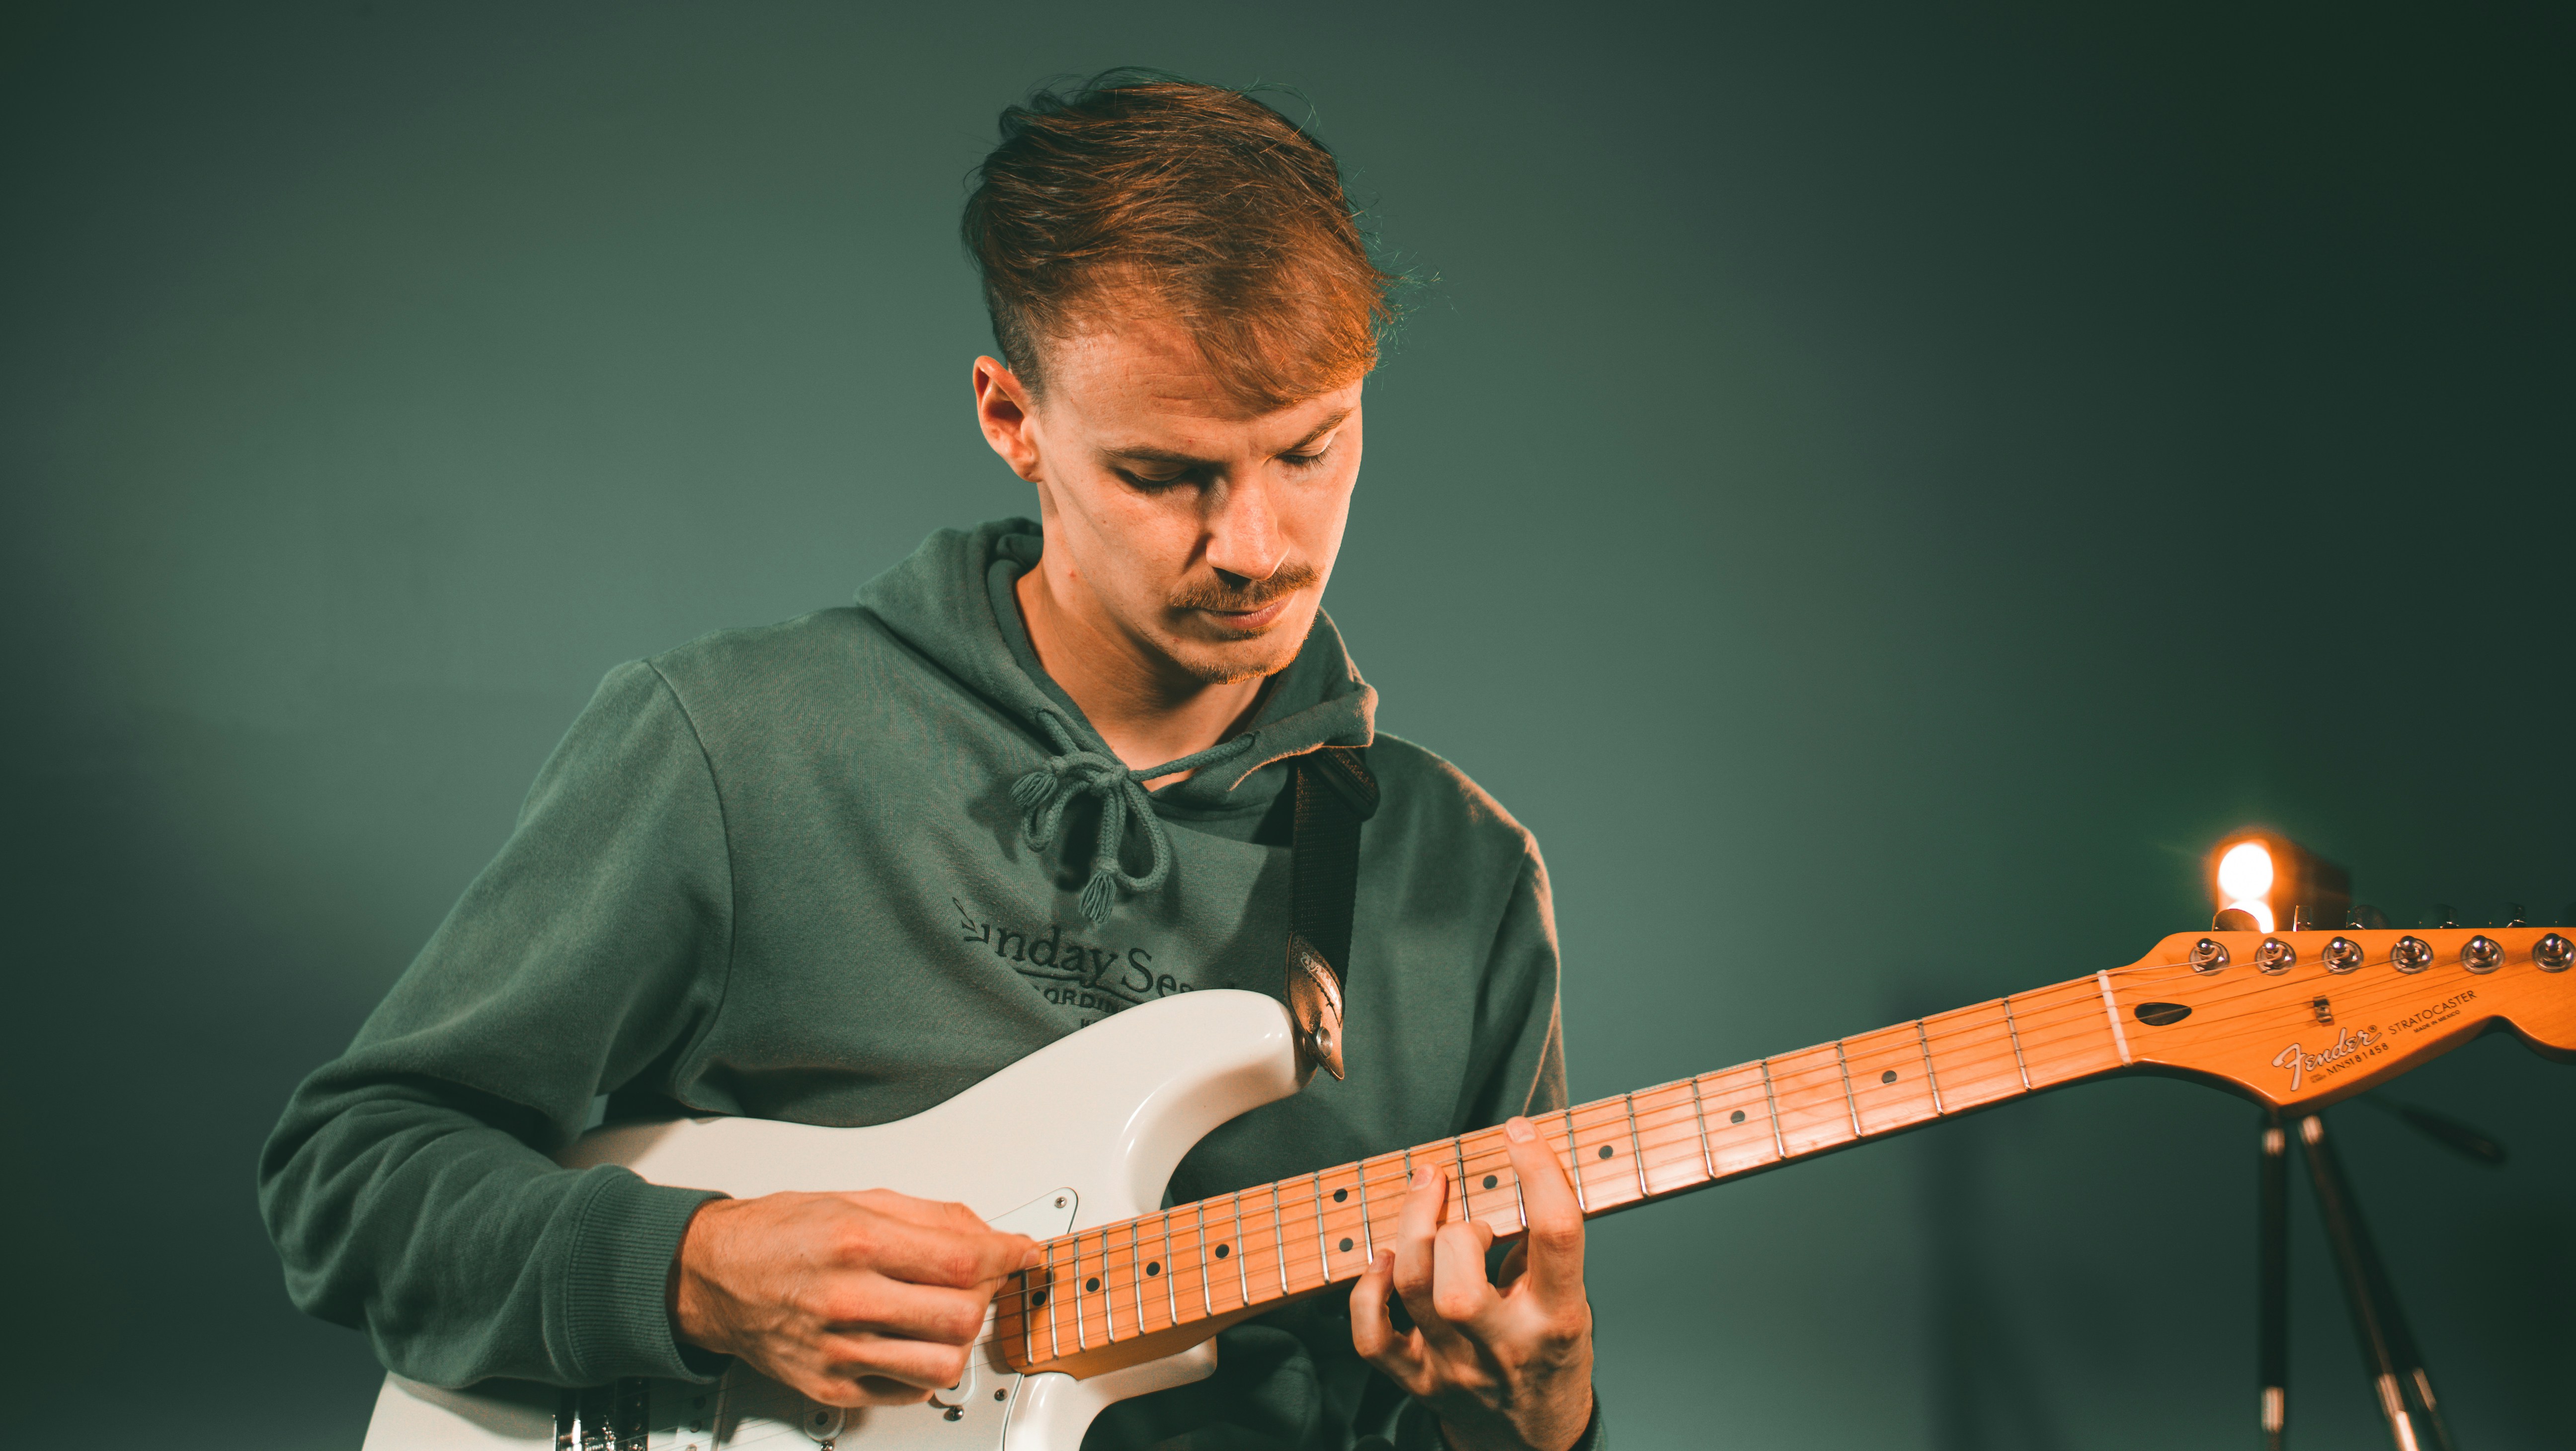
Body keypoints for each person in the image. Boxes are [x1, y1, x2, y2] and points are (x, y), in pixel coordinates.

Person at [260, 72, 1600, 1451]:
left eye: (1310, 450)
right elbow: (350, 1180)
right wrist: (692, 1275)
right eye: (1165, 474)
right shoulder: (739, 742)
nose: (1258, 545)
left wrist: (1545, 1422)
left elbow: (1464, 1395)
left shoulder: (1464, 883)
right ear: (1011, 418)